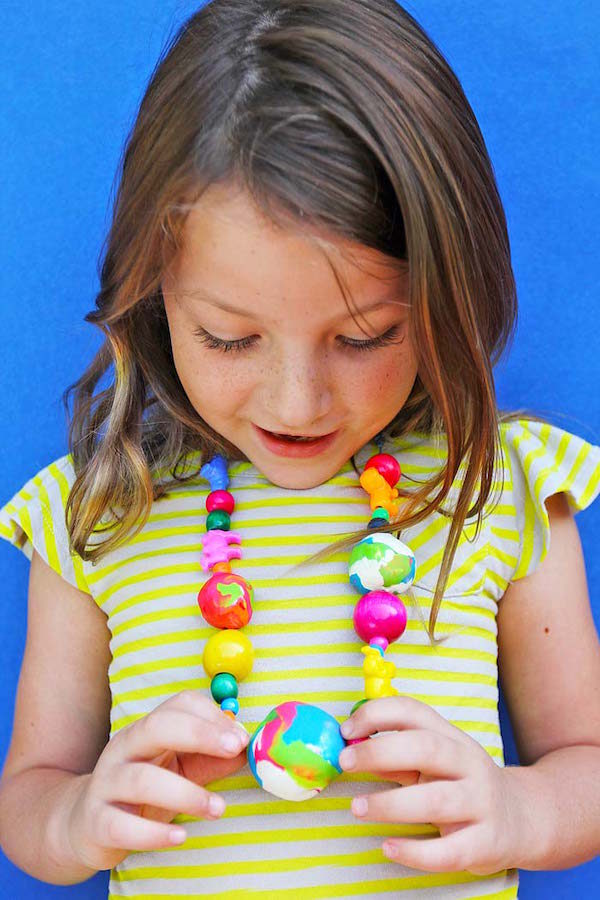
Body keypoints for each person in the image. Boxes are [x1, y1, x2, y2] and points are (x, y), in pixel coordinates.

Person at [0, 1, 599, 897]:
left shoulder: (501, 488)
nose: (298, 402)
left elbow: (584, 762)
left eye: (362, 338)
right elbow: (29, 801)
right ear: (154, 295)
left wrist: (521, 811)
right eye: (230, 339)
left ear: (447, 294)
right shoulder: (96, 509)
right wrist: (77, 818)